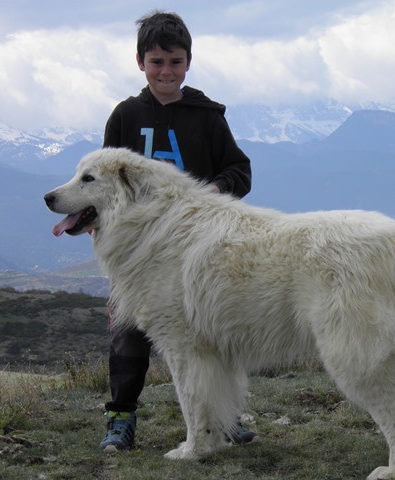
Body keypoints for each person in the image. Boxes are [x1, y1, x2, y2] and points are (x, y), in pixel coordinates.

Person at [99, 11, 254, 452]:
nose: (166, 71)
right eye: (156, 62)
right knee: (130, 335)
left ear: (188, 62)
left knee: (213, 332)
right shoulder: (125, 117)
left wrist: (206, 197)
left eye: (175, 61)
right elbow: (105, 184)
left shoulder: (206, 117)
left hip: (197, 253)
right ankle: (121, 420)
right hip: (138, 255)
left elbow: (238, 171)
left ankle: (223, 421)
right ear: (139, 62)